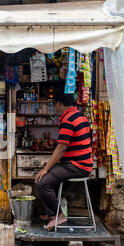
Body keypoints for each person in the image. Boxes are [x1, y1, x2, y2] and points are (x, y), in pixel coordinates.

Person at [34, 90, 92, 231]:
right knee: (48, 179)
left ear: (60, 103)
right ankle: (52, 214)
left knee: (42, 182)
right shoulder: (81, 116)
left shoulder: (68, 119)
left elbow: (61, 147)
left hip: (77, 165)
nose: (56, 108)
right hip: (82, 163)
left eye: (55, 105)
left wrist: (46, 168)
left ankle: (59, 215)